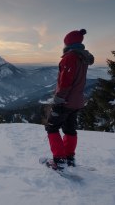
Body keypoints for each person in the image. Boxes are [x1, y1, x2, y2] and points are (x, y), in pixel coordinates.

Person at [45, 28, 94, 170]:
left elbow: (66, 82)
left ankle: (59, 160)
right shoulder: (82, 57)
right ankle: (69, 158)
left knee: (52, 127)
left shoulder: (70, 57)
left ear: (68, 43)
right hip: (77, 100)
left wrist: (58, 99)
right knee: (69, 129)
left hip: (66, 101)